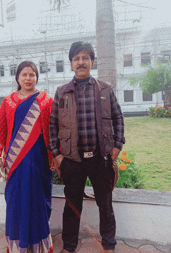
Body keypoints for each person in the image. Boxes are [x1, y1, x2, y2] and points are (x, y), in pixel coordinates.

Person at [49, 42, 125, 253]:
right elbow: (52, 125)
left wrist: (118, 144)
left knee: (105, 205)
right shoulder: (61, 92)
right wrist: (57, 155)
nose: (81, 62)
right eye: (76, 58)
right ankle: (70, 246)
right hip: (72, 161)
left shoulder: (104, 89)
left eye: (85, 58)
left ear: (92, 62)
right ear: (71, 63)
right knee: (72, 207)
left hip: (101, 159)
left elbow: (118, 117)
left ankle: (109, 245)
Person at [0, 61, 54, 253]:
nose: (28, 78)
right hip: (14, 162)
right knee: (15, 201)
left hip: (39, 162)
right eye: (24, 75)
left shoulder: (46, 101)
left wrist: (56, 157)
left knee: (37, 202)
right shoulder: (8, 102)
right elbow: (1, 131)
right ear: (18, 78)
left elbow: (54, 131)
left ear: (37, 77)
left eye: (32, 75)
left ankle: (38, 245)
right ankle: (18, 243)